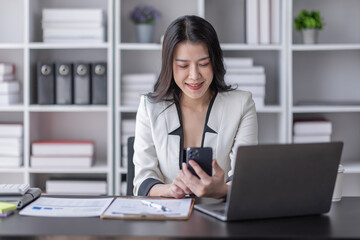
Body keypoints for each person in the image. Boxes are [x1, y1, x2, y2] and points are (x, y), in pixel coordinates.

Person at [133, 15, 258, 199]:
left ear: (215, 62)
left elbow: (246, 179)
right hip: (167, 218)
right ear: (169, 65)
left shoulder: (242, 104)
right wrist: (171, 190)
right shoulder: (149, 107)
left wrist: (221, 190)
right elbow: (142, 181)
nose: (194, 76)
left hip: (220, 218)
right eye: (183, 65)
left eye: (203, 64)